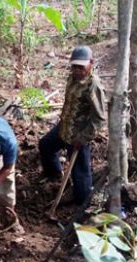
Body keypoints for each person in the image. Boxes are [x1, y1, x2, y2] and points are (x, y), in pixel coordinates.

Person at [38, 45, 106, 206]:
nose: (77, 70)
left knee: (80, 174)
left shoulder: (93, 86)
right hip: (64, 128)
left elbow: (99, 118)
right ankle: (54, 174)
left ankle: (83, 207)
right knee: (45, 145)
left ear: (91, 63)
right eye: (74, 66)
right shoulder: (72, 78)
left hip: (78, 135)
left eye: (80, 67)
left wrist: (83, 138)